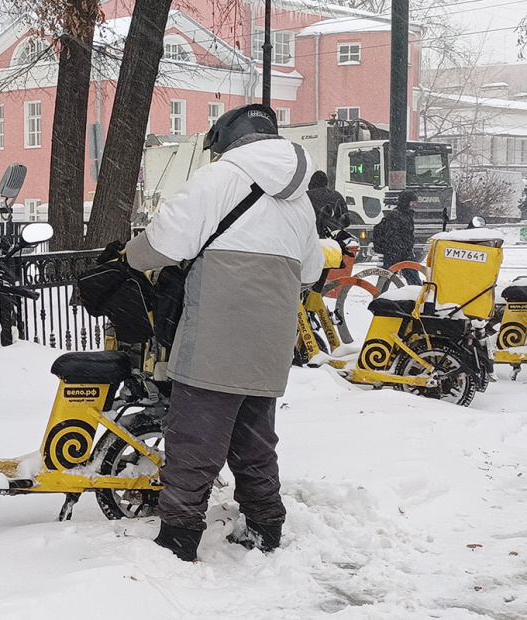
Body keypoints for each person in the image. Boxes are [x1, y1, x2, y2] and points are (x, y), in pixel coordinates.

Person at [124, 104, 324, 561]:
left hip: (216, 329)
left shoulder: (218, 179)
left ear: (228, 141)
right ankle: (267, 526)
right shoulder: (300, 199)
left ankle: (178, 538)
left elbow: (162, 243)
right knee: (255, 438)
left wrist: (127, 257)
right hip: (270, 337)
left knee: (194, 439)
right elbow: (311, 271)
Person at [372, 190, 421, 286]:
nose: (414, 204)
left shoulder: (402, 214)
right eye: (412, 202)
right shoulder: (397, 215)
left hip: (397, 252)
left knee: (386, 276)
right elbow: (394, 235)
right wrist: (402, 247)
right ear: (406, 202)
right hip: (397, 252)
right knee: (411, 276)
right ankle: (418, 295)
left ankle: (379, 296)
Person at [306, 171, 348, 236]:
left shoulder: (306, 196)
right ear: (326, 183)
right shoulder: (337, 195)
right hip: (333, 237)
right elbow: (346, 219)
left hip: (311, 235)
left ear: (311, 183)